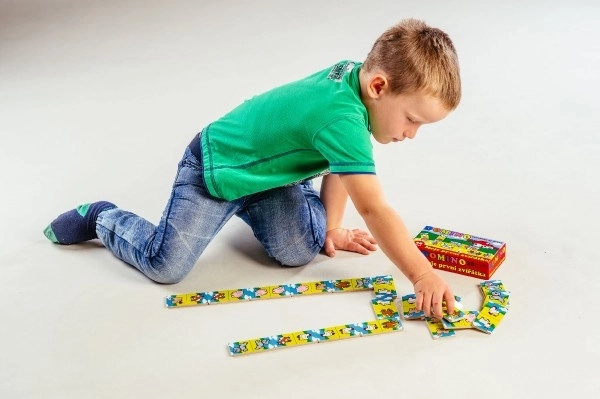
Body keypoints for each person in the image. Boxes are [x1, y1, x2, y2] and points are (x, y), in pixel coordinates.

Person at [44, 18, 460, 317]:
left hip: (271, 178)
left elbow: (342, 166)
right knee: (164, 266)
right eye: (413, 120)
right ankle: (99, 217)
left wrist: (332, 229)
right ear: (379, 87)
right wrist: (421, 274)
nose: (412, 134)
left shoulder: (358, 82)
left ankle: (277, 206)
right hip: (214, 171)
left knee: (302, 250)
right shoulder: (343, 118)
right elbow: (373, 208)